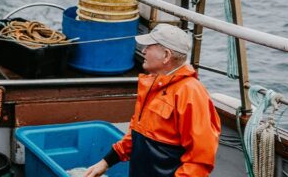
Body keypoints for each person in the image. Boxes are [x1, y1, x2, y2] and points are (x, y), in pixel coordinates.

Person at [84, 24, 221, 177]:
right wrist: (106, 162)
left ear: (166, 55)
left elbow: (200, 160)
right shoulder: (152, 84)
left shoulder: (191, 93)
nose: (143, 51)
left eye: (149, 47)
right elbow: (137, 133)